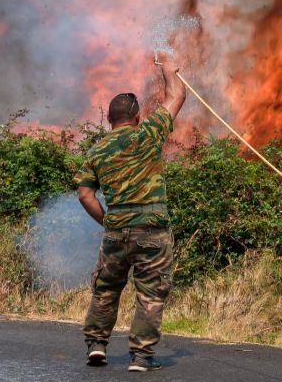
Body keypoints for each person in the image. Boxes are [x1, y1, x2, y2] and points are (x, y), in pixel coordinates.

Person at [75, 54, 186, 372]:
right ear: (137, 117)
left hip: (116, 231)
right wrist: (169, 72)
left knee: (106, 288)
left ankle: (97, 345)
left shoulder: (97, 151)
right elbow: (176, 96)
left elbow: (85, 194)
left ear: (110, 120)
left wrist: (108, 219)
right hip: (151, 229)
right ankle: (140, 357)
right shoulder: (147, 134)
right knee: (150, 293)